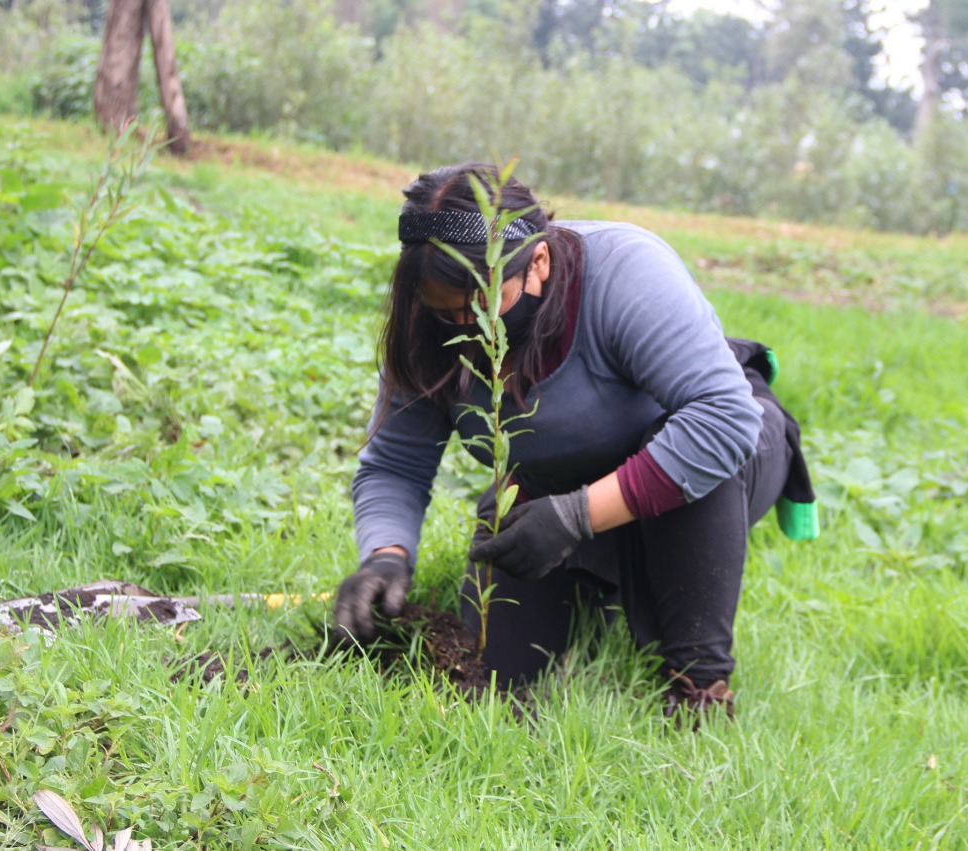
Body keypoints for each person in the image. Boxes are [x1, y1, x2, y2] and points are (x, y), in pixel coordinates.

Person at [335, 162, 818, 721]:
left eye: (484, 304)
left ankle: (699, 685)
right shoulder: (427, 325)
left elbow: (723, 419)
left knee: (688, 450)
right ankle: (603, 580)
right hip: (558, 481)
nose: (468, 327)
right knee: (497, 678)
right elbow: (396, 465)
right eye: (447, 313)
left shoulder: (626, 270)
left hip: (718, 460)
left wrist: (576, 517)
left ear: (538, 261)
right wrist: (386, 556)